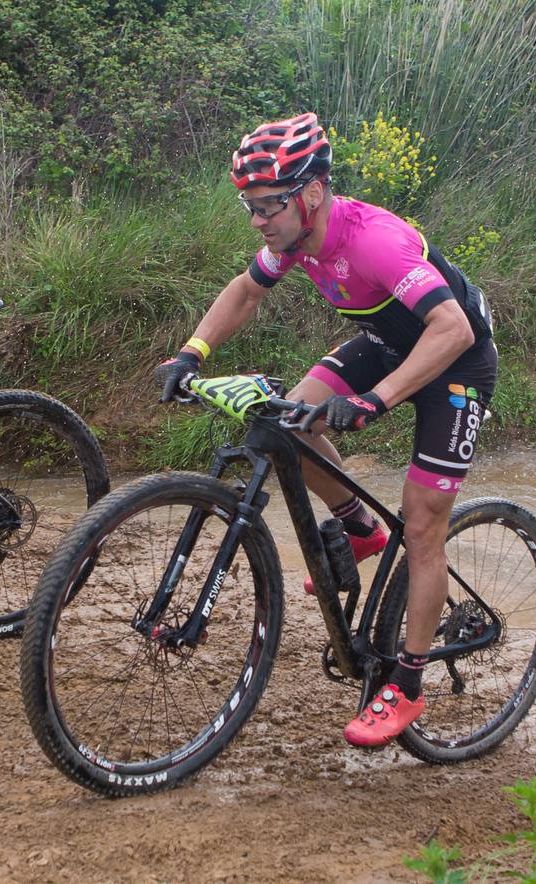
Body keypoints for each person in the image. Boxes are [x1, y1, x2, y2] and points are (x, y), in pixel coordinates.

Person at [155, 112, 497, 747]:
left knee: (423, 527)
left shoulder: (373, 241)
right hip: (388, 343)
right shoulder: (294, 240)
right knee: (291, 418)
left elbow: (453, 329)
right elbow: (244, 292)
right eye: (248, 206)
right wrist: (192, 353)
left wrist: (375, 400)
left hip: (457, 359)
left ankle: (407, 683)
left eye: (267, 206)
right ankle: (360, 526)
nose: (257, 220)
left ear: (312, 193)